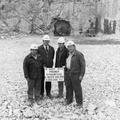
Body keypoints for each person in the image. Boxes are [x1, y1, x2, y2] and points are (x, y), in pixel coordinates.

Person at [65, 40, 86, 107]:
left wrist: (81, 75)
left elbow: (83, 65)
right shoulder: (68, 54)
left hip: (76, 74)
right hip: (68, 73)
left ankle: (79, 103)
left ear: (74, 46)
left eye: (71, 47)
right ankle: (69, 100)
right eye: (68, 47)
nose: (69, 48)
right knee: (68, 88)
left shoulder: (79, 54)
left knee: (77, 89)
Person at [38, 35, 55, 99]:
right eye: (45, 41)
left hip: (49, 67)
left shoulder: (52, 48)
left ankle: (48, 93)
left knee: (49, 80)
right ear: (43, 41)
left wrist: (50, 65)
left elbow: (52, 57)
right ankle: (41, 93)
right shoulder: (39, 48)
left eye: (48, 41)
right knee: (41, 80)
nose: (46, 42)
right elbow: (38, 58)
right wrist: (42, 65)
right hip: (41, 68)